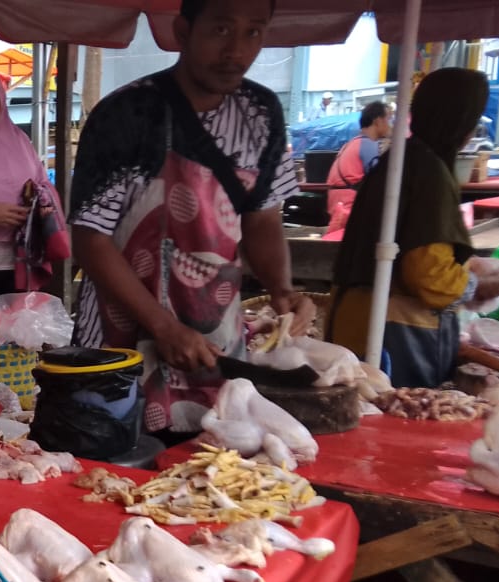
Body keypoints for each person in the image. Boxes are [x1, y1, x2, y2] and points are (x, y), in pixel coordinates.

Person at [70, 0, 317, 439]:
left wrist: (283, 291)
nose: (236, 51)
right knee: (117, 469)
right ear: (183, 32)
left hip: (213, 338)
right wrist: (162, 325)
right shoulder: (125, 114)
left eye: (253, 32)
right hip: (117, 339)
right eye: (221, 30)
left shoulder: (261, 114)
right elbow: (90, 238)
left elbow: (262, 220)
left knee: (212, 462)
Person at [327, 69, 499, 389]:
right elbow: (428, 274)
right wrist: (476, 284)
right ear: (461, 124)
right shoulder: (428, 171)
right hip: (394, 334)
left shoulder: (403, 160)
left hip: (356, 318)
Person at [0, 70, 68, 299]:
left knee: (15, 329)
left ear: (2, 102)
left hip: (22, 259)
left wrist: (35, 198)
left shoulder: (20, 141)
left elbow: (42, 183)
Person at [326, 101, 391, 233]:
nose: (390, 125)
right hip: (350, 211)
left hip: (337, 207)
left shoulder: (351, 144)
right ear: (378, 121)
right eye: (388, 119)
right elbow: (381, 180)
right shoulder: (368, 146)